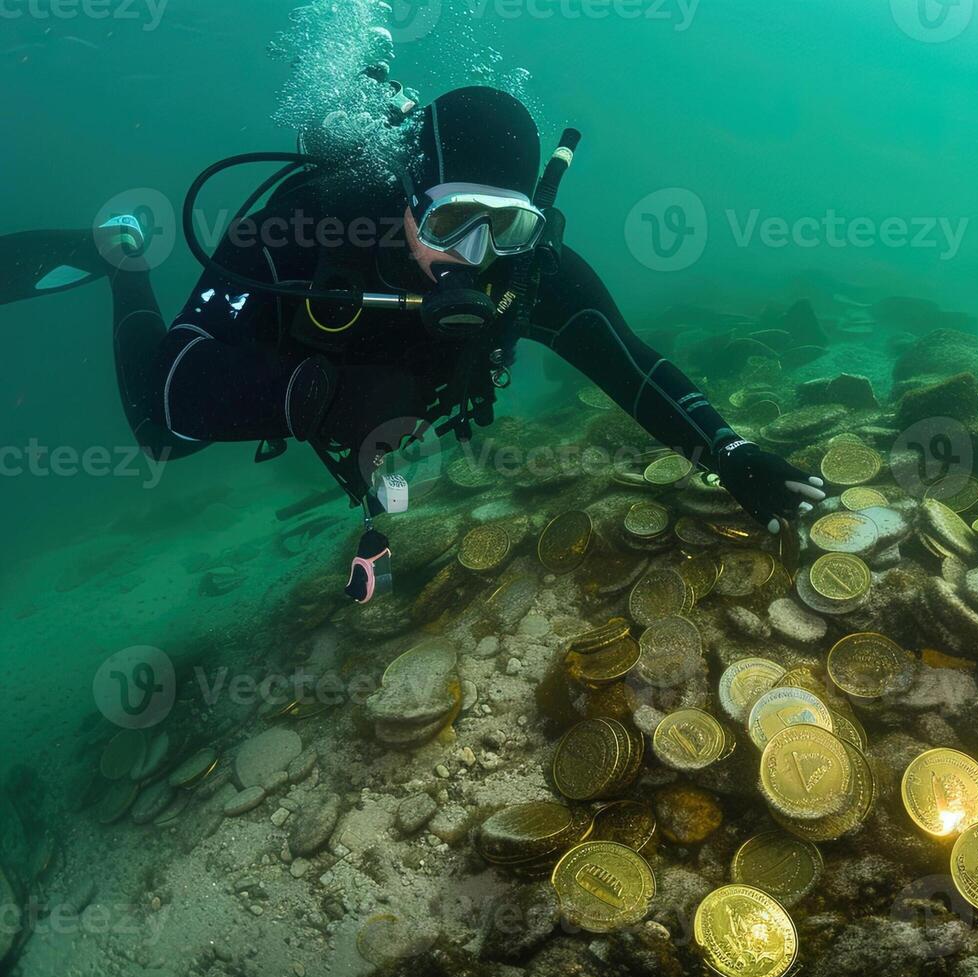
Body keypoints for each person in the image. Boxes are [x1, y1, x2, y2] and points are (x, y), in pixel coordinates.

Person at [1, 86, 826, 600]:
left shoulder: (524, 271)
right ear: (402, 199)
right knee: (160, 436)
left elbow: (626, 359)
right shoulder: (310, 223)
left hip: (362, 405)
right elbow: (177, 383)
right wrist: (307, 398)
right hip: (279, 358)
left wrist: (729, 450)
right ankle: (117, 256)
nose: (477, 257)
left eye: (504, 226)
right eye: (450, 223)